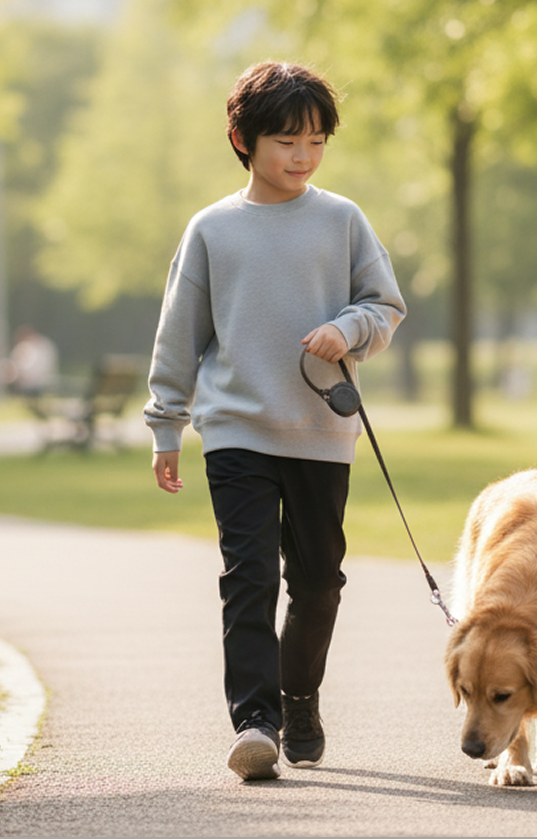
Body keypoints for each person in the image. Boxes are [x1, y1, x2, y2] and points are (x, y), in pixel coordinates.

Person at [143, 61, 405, 781]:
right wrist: (167, 425)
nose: (303, 156)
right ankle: (254, 721)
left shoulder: (342, 219)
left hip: (321, 432)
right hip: (237, 432)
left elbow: (386, 308)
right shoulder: (212, 231)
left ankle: (298, 697)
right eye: (288, 140)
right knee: (249, 575)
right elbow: (179, 335)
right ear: (243, 138)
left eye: (317, 141)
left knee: (319, 581)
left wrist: (347, 329)